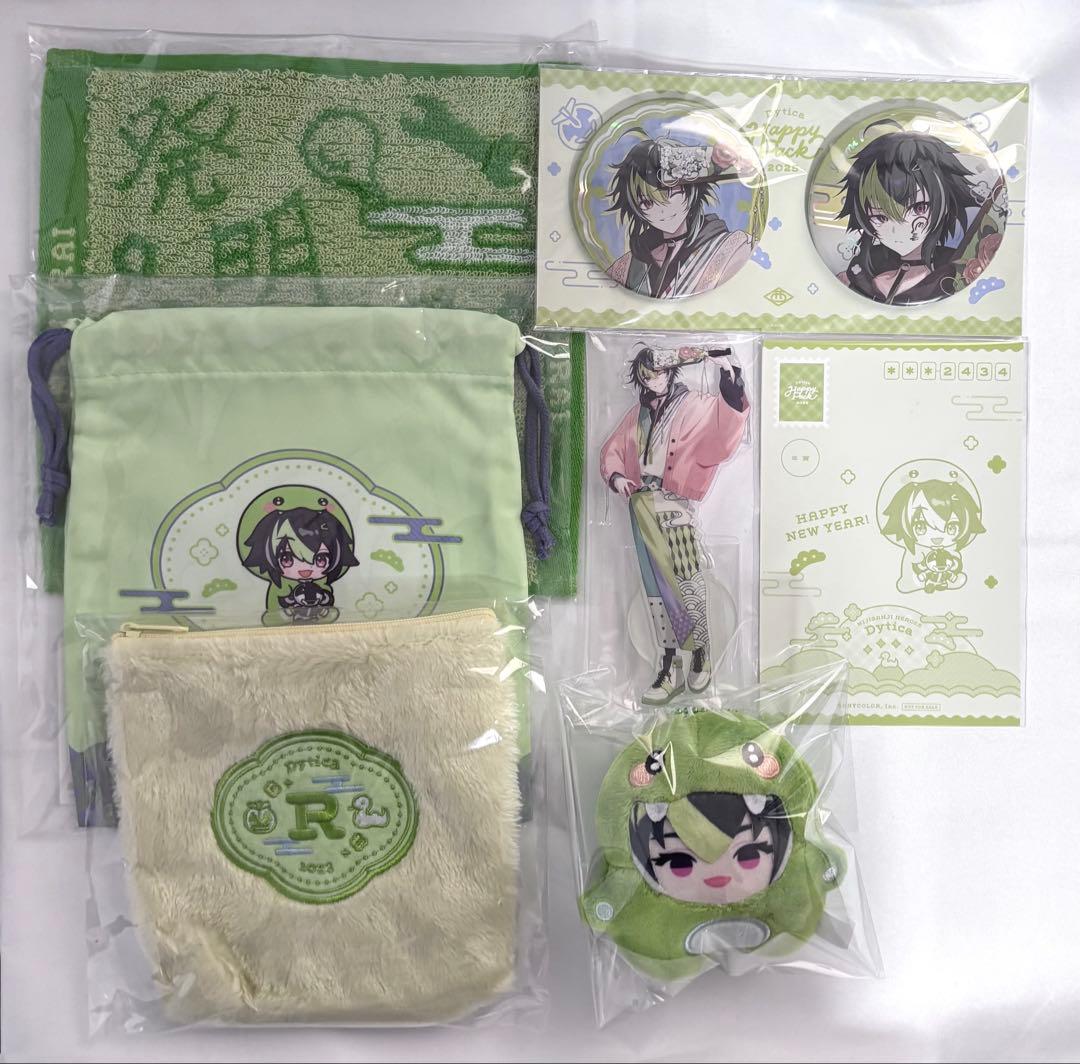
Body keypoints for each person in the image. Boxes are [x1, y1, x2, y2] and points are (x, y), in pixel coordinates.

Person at [600, 344, 749, 704]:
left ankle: (700, 651)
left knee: (685, 576)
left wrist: (728, 372)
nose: (654, 380)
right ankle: (669, 664)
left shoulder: (694, 404)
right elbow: (613, 450)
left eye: (659, 373)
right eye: (647, 375)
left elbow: (724, 430)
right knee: (653, 586)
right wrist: (617, 477)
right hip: (640, 504)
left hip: (676, 504)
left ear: (670, 372)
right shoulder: (637, 416)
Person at [606, 131, 755, 298]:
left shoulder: (731, 247)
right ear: (636, 209)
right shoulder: (628, 266)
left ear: (691, 190)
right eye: (647, 203)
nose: (663, 210)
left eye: (672, 194)